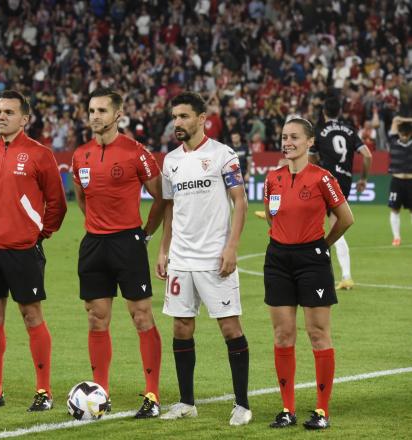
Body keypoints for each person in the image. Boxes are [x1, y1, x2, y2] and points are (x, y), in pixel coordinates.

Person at [156, 92, 252, 425]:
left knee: (229, 327)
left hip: (214, 258)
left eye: (183, 116)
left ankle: (242, 404)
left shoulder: (223, 155)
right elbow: (170, 208)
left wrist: (232, 247)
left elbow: (240, 201)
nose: (177, 122)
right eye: (174, 116)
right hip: (181, 258)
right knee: (181, 328)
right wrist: (164, 249)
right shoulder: (170, 161)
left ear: (202, 118)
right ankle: (186, 402)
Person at [0, 90, 67, 412]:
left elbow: (58, 203)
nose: (1, 117)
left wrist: (40, 234)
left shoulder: (40, 154)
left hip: (22, 249)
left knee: (31, 315)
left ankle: (44, 391)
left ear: (25, 119)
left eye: (9, 112)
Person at [72, 87, 166, 418]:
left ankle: (152, 395)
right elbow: (82, 196)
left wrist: (147, 233)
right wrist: (97, 225)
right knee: (97, 319)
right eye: (91, 110)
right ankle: (100, 394)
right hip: (94, 244)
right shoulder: (80, 154)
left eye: (101, 110)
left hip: (128, 241)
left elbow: (161, 197)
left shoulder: (135, 152)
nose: (95, 116)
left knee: (141, 315)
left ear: (117, 114)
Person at [263, 116, 354, 430]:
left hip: (311, 259)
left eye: (294, 137)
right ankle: (287, 409)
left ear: (310, 141)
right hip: (277, 259)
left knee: (317, 334)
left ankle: (321, 411)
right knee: (282, 334)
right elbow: (272, 219)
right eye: (284, 137)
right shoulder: (272, 178)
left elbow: (345, 217)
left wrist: (323, 244)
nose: (288, 142)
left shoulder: (322, 178)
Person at [309, 96, 372, 290]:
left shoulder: (319, 132)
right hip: (344, 181)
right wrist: (363, 178)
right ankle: (342, 274)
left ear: (324, 112)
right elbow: (367, 155)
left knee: (328, 224)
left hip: (327, 179)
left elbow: (310, 160)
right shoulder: (350, 130)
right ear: (340, 112)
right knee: (332, 223)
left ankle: (340, 275)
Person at [386, 116, 412, 246]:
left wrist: (407, 122)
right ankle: (396, 237)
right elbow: (395, 119)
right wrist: (404, 121)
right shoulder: (393, 141)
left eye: (407, 135)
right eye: (402, 134)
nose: (404, 137)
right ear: (399, 133)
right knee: (394, 209)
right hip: (396, 181)